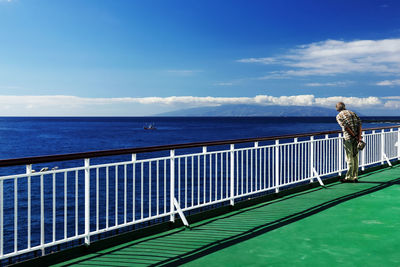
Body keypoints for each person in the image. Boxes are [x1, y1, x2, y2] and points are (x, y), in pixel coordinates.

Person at [336, 102, 362, 183]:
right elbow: (359, 125)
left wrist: (353, 135)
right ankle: (355, 176)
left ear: (337, 108)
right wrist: (358, 137)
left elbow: (346, 127)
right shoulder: (353, 113)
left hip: (349, 138)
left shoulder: (339, 116)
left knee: (349, 157)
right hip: (356, 138)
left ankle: (349, 177)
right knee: (355, 157)